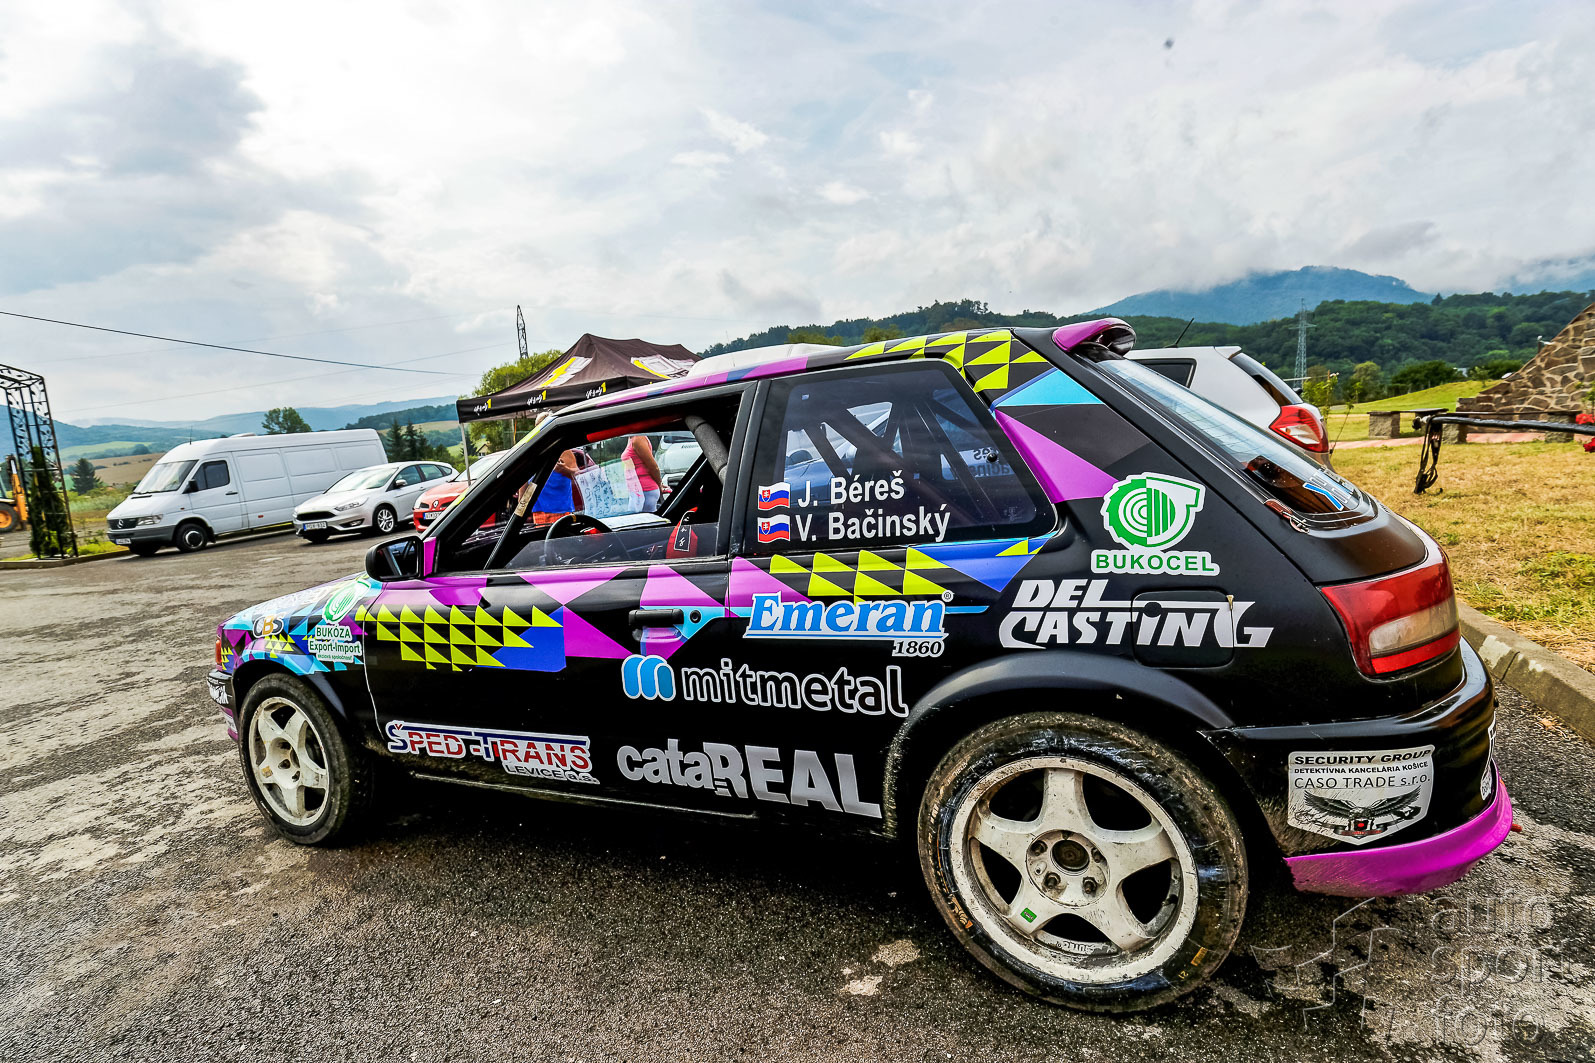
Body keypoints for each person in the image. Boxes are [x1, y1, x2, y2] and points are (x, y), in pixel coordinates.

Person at [622, 434, 663, 513]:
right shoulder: (631, 437)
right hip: (637, 491)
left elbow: (653, 467)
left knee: (640, 519)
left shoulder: (638, 438)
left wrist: (659, 485)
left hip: (645, 491)